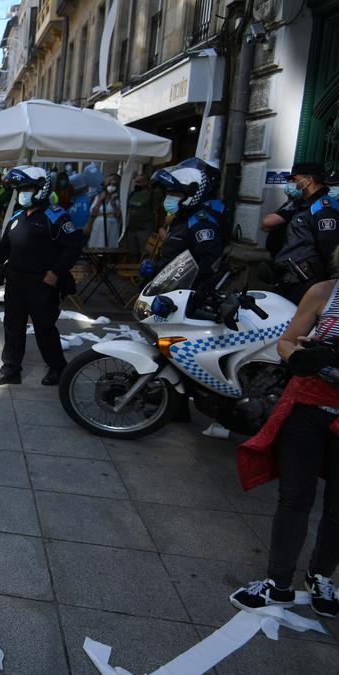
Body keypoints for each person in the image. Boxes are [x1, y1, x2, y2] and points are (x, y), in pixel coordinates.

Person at [230, 245, 339, 619]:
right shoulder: (324, 292)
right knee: (295, 498)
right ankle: (278, 582)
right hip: (308, 406)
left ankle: (322, 576)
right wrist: (300, 355)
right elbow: (286, 341)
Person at [0, 166, 85, 386]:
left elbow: (74, 246)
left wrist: (56, 272)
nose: (22, 193)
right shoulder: (17, 216)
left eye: (27, 188)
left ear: (41, 188)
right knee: (12, 327)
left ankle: (57, 368)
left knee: (45, 328)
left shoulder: (55, 216)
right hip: (15, 282)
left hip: (42, 284)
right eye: (20, 189)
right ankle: (11, 369)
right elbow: (3, 247)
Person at [142, 158, 227, 290]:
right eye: (168, 193)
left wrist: (192, 293)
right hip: (167, 286)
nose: (169, 198)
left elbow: (208, 263)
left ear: (192, 193)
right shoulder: (184, 216)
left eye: (174, 193)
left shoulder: (201, 222)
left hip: (181, 293)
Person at [274, 163, 339, 303]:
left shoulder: (323, 208)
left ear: (308, 180)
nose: (291, 184)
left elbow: (328, 249)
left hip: (306, 281)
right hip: (291, 279)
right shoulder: (302, 204)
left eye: (294, 179)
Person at [125, 173, 163, 257]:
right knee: (132, 254)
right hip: (132, 229)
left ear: (146, 182)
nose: (136, 184)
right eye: (135, 182)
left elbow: (156, 213)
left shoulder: (152, 195)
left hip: (145, 229)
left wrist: (155, 230)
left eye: (139, 182)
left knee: (145, 254)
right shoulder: (133, 193)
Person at [86, 173, 123, 249]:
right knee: (97, 247)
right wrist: (100, 200)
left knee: (110, 247)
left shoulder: (119, 199)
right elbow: (93, 213)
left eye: (114, 184)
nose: (111, 186)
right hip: (98, 226)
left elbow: (119, 215)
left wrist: (114, 204)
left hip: (112, 227)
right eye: (110, 183)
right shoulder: (98, 196)